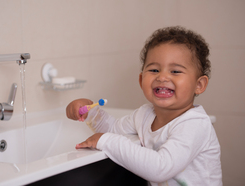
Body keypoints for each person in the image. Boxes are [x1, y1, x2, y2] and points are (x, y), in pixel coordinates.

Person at [66, 26, 222, 186]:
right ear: (141, 81)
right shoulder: (144, 114)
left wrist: (106, 141)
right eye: (154, 70)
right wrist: (90, 112)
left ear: (199, 85)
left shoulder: (195, 124)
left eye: (175, 71)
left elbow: (161, 168)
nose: (162, 77)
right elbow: (112, 129)